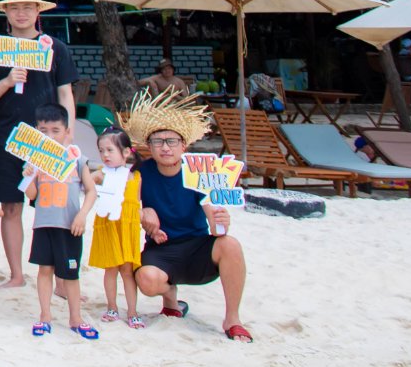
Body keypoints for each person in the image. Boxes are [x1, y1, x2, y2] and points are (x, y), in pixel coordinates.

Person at [126, 94, 251, 341]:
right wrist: (141, 212)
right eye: (158, 141)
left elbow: (213, 216)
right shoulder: (140, 172)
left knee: (231, 245)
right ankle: (171, 298)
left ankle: (233, 319)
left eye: (171, 141)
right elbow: (123, 208)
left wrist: (220, 221)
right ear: (149, 146)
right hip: (160, 247)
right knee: (147, 280)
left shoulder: (197, 170)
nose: (165, 147)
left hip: (197, 247)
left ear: (183, 145)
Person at [0, 0, 78, 289]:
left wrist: (67, 135)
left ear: (38, 11)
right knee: (10, 207)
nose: (21, 13)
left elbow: (66, 93)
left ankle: (61, 279)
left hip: (46, 138)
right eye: (14, 7)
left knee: (54, 209)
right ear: (6, 12)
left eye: (27, 7)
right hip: (8, 136)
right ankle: (16, 274)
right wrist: (8, 80)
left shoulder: (55, 47)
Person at [24, 103, 100, 338]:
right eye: (43, 131)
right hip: (43, 225)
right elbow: (32, 195)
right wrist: (29, 176)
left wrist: (82, 215)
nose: (50, 136)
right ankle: (45, 315)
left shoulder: (77, 159)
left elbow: (91, 190)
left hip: (69, 226)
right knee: (44, 270)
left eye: (55, 130)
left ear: (67, 131)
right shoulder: (35, 160)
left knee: (70, 274)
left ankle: (76, 317)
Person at [89, 125, 144, 327]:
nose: (105, 155)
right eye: (101, 150)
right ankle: (112, 307)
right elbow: (83, 184)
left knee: (128, 271)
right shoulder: (101, 174)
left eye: (110, 150)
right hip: (109, 226)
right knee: (110, 269)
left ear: (126, 152)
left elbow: (138, 204)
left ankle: (132, 311)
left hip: (128, 228)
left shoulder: (135, 177)